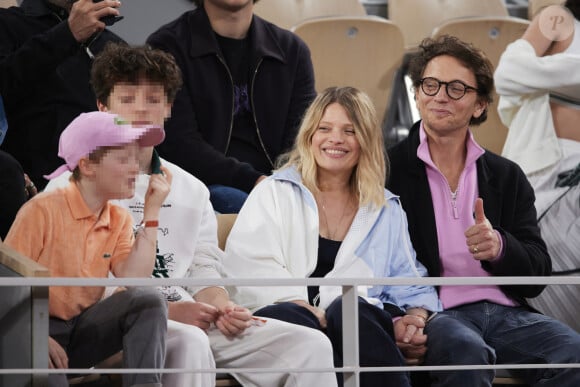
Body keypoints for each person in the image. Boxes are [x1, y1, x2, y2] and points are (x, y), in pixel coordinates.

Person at [45, 42, 338, 387]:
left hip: (190, 315)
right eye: (126, 99)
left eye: (153, 100)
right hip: (117, 326)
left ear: (168, 108)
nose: (141, 109)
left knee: (309, 345)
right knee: (190, 341)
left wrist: (222, 306)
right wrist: (170, 312)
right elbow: (75, 284)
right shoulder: (71, 186)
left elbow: (202, 263)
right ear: (101, 106)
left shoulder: (191, 188)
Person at [387, 34, 580, 387]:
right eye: (430, 85)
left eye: (456, 88)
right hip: (438, 313)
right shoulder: (386, 170)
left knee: (574, 354)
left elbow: (537, 270)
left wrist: (500, 247)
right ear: (416, 94)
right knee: (466, 352)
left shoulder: (506, 175)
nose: (440, 95)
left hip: (507, 312)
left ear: (479, 106)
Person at [222, 86, 442, 387]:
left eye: (349, 131)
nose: (335, 139)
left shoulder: (384, 207)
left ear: (365, 140)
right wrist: (308, 307)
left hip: (354, 320)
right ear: (310, 136)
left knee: (351, 312)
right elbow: (247, 267)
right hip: (286, 314)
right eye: (324, 128)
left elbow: (408, 279)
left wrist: (414, 320)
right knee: (301, 321)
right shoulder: (273, 191)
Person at [5, 111, 171, 387]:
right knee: (49, 378)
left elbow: (136, 280)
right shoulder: (41, 210)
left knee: (149, 300)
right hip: (29, 331)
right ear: (88, 165)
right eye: (123, 158)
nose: (136, 168)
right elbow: (6, 286)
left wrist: (152, 212)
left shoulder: (119, 218)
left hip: (80, 330)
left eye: (136, 157)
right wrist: (34, 332)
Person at [146, 0, 316, 213]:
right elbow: (179, 144)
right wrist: (254, 181)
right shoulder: (167, 46)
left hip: (279, 184)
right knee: (231, 200)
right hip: (206, 185)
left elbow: (303, 137)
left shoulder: (292, 50)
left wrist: (281, 183)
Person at [494, 0, 580, 332]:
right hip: (548, 164)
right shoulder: (557, 17)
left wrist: (556, 77)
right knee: (540, 260)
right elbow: (509, 73)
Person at [0, 0, 124, 190]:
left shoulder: (116, 48)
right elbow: (5, 85)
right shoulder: (7, 23)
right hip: (25, 189)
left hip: (101, 193)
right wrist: (68, 34)